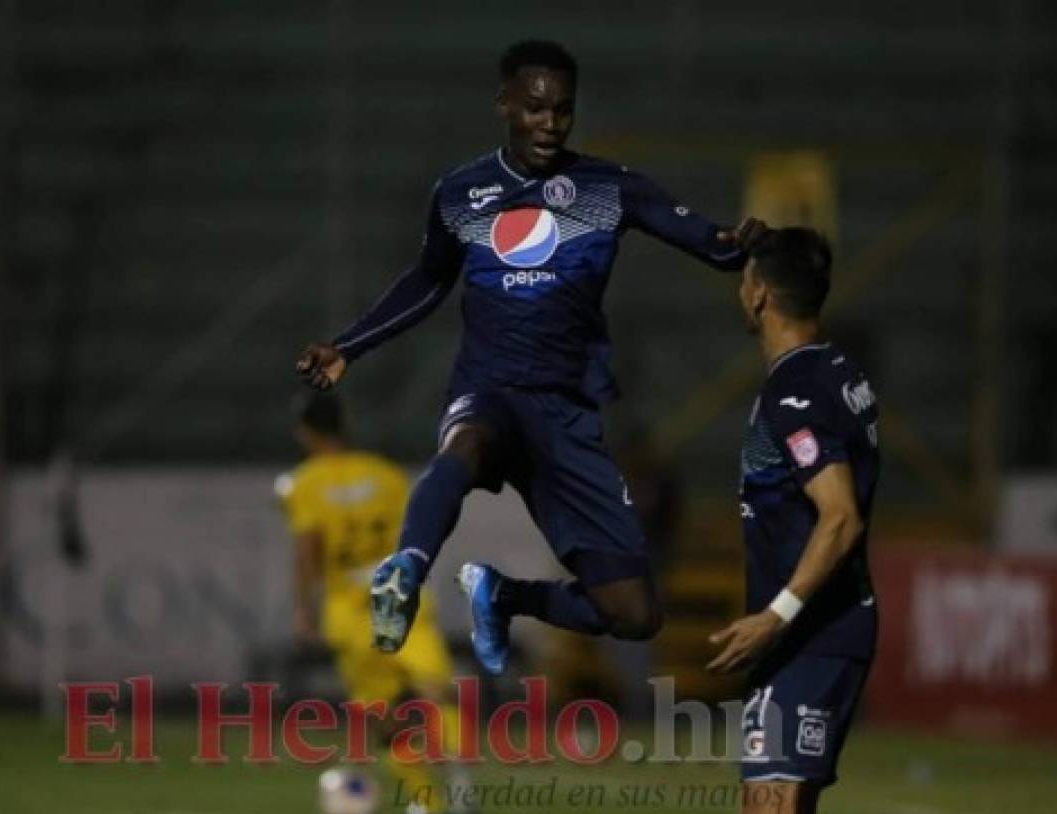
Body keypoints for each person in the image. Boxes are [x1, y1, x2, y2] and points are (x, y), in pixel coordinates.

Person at [295, 39, 766, 673]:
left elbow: (710, 242)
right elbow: (428, 281)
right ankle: (404, 569)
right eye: (535, 109)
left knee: (634, 613)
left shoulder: (607, 187)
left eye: (562, 111)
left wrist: (740, 244)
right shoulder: (462, 192)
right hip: (490, 388)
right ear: (505, 104)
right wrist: (348, 346)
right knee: (463, 443)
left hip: (566, 415)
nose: (549, 124)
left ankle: (503, 593)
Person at [705, 228, 879, 814]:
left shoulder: (794, 393)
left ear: (756, 294)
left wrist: (774, 616)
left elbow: (838, 515)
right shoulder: (840, 372)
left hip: (812, 631)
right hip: (827, 625)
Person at [276, 393, 469, 814]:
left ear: (305, 432)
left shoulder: (302, 483)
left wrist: (304, 609)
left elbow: (309, 548)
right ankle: (459, 778)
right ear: (345, 424)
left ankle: (427, 805)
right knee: (435, 686)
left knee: (382, 713)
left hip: (349, 610)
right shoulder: (386, 476)